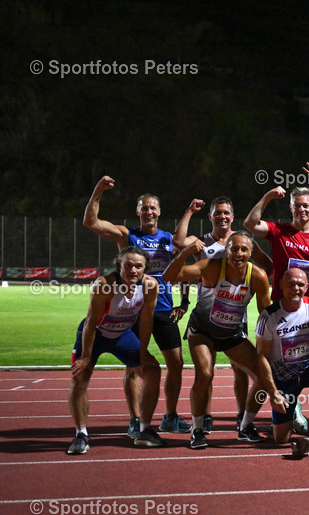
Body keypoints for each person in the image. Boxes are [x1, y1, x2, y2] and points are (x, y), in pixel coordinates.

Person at [83, 176, 189, 437]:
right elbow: (91, 222)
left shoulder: (169, 239)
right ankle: (135, 419)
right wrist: (98, 190)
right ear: (138, 211)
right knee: (133, 366)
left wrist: (184, 301)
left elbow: (182, 269)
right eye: (144, 207)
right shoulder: (126, 235)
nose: (149, 211)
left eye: (153, 207)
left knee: (176, 364)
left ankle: (171, 417)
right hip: (131, 309)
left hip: (162, 307)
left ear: (159, 211)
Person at [163, 231, 273, 449]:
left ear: (251, 253)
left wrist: (267, 348)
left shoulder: (258, 276)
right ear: (226, 251)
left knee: (263, 374)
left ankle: (246, 426)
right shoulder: (211, 267)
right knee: (205, 373)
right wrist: (185, 252)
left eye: (244, 249)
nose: (238, 253)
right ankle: (197, 430)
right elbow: (169, 276)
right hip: (202, 330)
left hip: (231, 333)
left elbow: (265, 316)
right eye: (234, 249)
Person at [67, 247, 162, 454]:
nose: (133, 270)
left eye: (138, 266)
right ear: (119, 266)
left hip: (122, 334)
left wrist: (144, 351)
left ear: (145, 268)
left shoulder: (150, 286)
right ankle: (81, 433)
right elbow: (91, 323)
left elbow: (146, 320)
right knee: (80, 376)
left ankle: (144, 429)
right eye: (128, 265)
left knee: (152, 370)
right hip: (96, 333)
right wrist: (85, 357)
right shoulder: (104, 286)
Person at [254, 268, 309, 445]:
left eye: (300, 284)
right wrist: (273, 393)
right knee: (281, 439)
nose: (295, 288)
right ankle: (293, 408)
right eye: (291, 284)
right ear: (280, 285)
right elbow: (262, 357)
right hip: (284, 378)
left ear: (306, 287)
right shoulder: (269, 316)